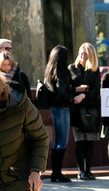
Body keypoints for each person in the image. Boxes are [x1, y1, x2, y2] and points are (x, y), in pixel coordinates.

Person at [42, 46, 85, 183]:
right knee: (62, 141)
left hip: (55, 108)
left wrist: (75, 89)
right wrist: (74, 98)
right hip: (62, 108)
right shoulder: (61, 72)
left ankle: (56, 172)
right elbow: (61, 92)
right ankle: (57, 173)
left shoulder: (51, 70)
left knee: (58, 141)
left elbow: (59, 89)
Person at [68, 42, 101, 180]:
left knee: (90, 141)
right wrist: (77, 91)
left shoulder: (94, 70)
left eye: (86, 54)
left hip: (92, 110)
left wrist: (84, 94)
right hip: (77, 110)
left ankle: (88, 170)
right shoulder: (72, 68)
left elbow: (96, 89)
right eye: (81, 53)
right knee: (80, 141)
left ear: (91, 55)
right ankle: (81, 170)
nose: (83, 56)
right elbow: (67, 86)